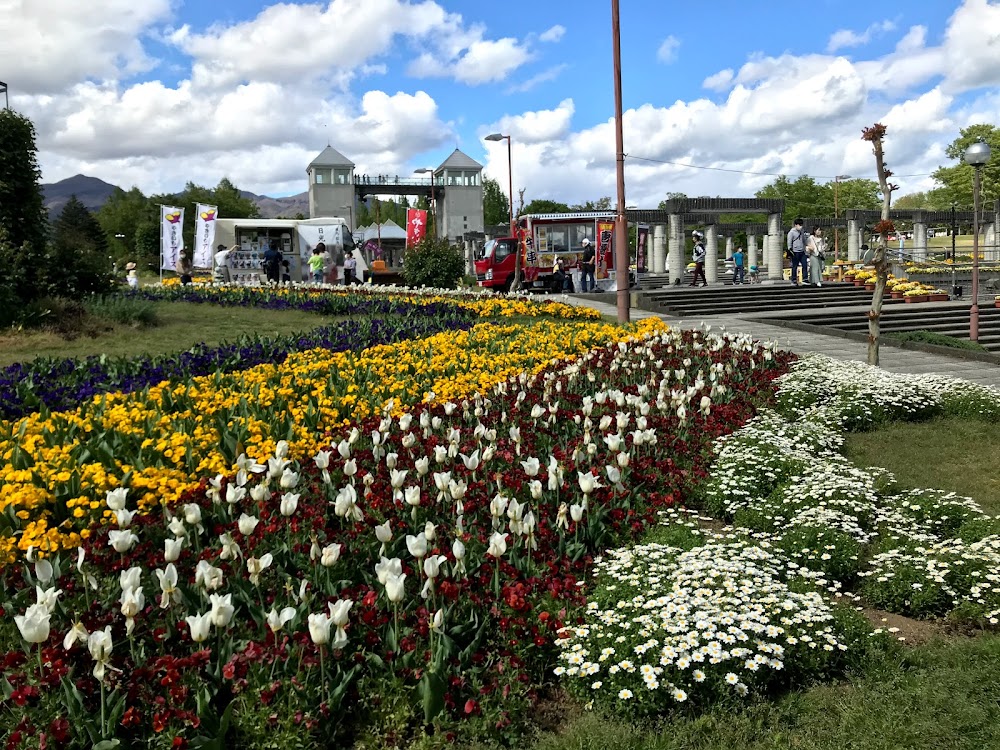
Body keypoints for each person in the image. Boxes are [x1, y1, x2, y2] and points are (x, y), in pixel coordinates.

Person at [786, 218, 808, 286]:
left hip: (802, 251)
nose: (800, 226)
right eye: (799, 225)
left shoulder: (802, 231)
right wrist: (790, 250)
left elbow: (804, 240)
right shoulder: (791, 232)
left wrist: (807, 246)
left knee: (805, 265)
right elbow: (789, 242)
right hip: (795, 252)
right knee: (795, 266)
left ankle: (805, 279)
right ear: (795, 225)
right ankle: (794, 280)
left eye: (801, 225)